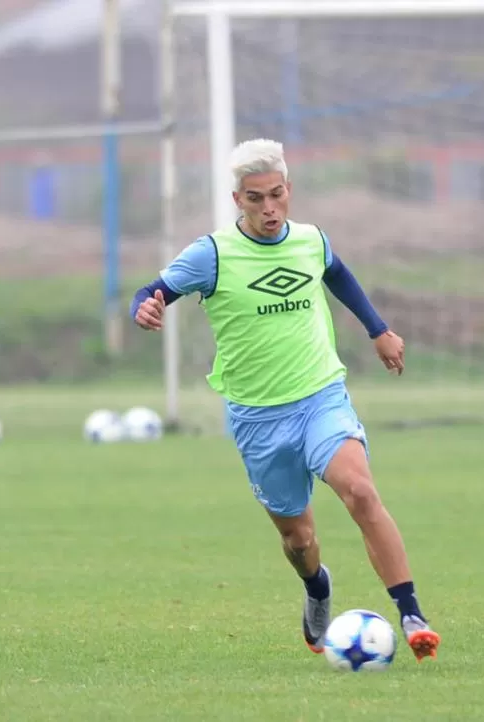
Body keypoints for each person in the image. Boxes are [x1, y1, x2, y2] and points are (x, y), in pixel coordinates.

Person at [130, 138, 440, 661]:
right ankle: (317, 586)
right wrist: (146, 307)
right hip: (257, 418)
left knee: (360, 492)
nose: (269, 208)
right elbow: (152, 290)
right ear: (238, 200)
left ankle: (411, 612)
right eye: (256, 198)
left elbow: (338, 273)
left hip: (321, 396)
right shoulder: (211, 254)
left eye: (277, 195)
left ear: (289, 190)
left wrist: (378, 330)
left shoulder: (311, 241)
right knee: (298, 539)